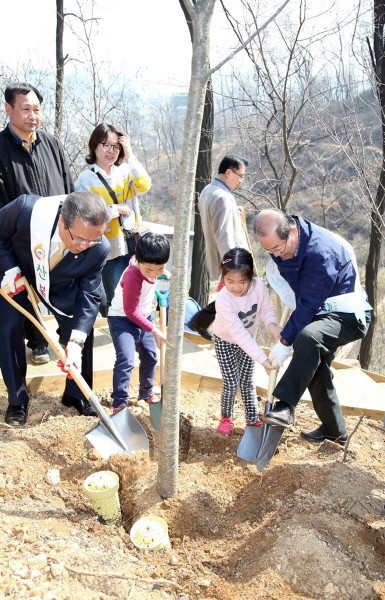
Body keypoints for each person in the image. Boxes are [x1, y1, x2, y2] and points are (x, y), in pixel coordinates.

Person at [254, 208, 369, 445]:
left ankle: (285, 405)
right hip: (319, 311)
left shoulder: (321, 252)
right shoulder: (285, 244)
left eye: (279, 248)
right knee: (314, 369)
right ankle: (334, 431)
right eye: (270, 250)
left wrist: (285, 341)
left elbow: (308, 305)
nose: (277, 255)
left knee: (308, 338)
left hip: (347, 314)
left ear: (293, 231)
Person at [0, 191, 110, 426]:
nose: (84, 246)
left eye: (93, 240)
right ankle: (17, 400)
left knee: (82, 329)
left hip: (60, 284)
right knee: (8, 328)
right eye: (79, 239)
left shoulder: (98, 249)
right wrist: (9, 269)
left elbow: (89, 295)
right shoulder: (25, 210)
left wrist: (75, 344)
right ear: (62, 220)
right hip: (16, 278)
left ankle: (76, 394)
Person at [0, 82, 75, 365]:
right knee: (25, 289)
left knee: (60, 288)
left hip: (57, 232)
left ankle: (68, 341)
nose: (33, 115)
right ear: (8, 110)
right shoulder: (1, 147)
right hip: (18, 236)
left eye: (37, 109)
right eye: (26, 109)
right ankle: (37, 341)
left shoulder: (52, 144)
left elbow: (68, 185)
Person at [75, 123, 151, 312]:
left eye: (116, 146)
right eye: (105, 145)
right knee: (116, 300)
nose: (111, 151)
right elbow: (81, 216)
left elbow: (144, 185)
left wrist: (131, 155)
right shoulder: (86, 179)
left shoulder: (125, 172)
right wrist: (112, 210)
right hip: (108, 249)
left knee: (135, 298)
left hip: (133, 245)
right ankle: (121, 337)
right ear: (95, 146)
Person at [212, 247, 281, 435]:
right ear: (223, 278)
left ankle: (251, 420)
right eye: (230, 281)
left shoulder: (259, 286)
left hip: (248, 340)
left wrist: (272, 325)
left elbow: (266, 309)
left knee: (248, 381)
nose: (236, 286)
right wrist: (263, 359)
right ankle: (226, 417)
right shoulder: (223, 301)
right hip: (225, 341)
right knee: (231, 381)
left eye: (242, 281)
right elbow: (239, 335)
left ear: (251, 276)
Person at [188, 154, 249, 340]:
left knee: (230, 297)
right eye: (241, 175)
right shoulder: (222, 196)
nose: (241, 180)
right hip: (228, 256)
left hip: (219, 255)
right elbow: (224, 234)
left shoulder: (209, 190)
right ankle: (213, 326)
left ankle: (205, 322)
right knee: (236, 296)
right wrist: (233, 264)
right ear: (229, 172)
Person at [108, 232, 169, 413]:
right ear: (138, 261)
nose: (154, 274)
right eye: (149, 270)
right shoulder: (132, 277)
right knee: (126, 359)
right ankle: (119, 402)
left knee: (150, 356)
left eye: (159, 268)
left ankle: (146, 392)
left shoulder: (151, 264)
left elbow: (157, 269)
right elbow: (130, 311)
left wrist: (164, 273)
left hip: (145, 315)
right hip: (123, 320)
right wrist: (155, 330)